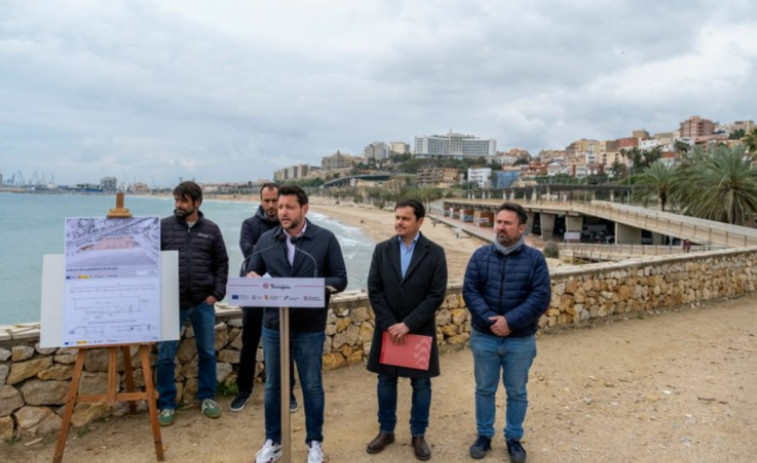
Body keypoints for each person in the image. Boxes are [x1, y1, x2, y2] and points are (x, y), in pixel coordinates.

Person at [247, 185, 347, 463]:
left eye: (289, 207)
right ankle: (273, 442)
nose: (282, 212)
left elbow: (340, 279)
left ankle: (314, 442)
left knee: (312, 385)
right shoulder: (267, 239)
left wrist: (309, 287)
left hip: (309, 326)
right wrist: (253, 274)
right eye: (279, 207)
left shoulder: (325, 239)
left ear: (304, 208)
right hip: (274, 324)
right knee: (273, 387)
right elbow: (251, 267)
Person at [463, 202, 551, 463]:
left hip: (520, 339)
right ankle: (484, 435)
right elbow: (470, 291)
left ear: (521, 228)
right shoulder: (480, 256)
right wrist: (492, 320)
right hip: (485, 336)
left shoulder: (535, 260)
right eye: (498, 222)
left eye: (507, 223)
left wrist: (510, 322)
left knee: (517, 392)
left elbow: (540, 297)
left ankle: (513, 438)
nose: (500, 227)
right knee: (484, 389)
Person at [365, 199, 447, 461]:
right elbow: (374, 290)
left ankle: (418, 434)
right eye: (397, 217)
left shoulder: (435, 252)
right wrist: (390, 324)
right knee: (385, 381)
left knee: (421, 384)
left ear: (419, 222)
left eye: (405, 218)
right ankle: (386, 431)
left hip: (419, 329)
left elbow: (436, 295)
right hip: (388, 330)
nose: (398, 222)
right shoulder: (381, 250)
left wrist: (409, 324)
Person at [156, 181, 229, 426]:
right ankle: (166, 403)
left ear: (197, 202)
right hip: (171, 303)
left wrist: (216, 294)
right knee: (166, 356)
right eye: (176, 200)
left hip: (202, 303)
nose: (178, 205)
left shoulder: (212, 229)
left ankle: (207, 397)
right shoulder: (163, 228)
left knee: (207, 352)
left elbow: (222, 263)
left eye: (184, 201)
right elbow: (151, 261)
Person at [231, 183, 298, 414]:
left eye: (274, 201)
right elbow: (250, 255)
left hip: (281, 294)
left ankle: (288, 392)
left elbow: (292, 257)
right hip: (254, 294)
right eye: (266, 201)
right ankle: (243, 391)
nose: (270, 206)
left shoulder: (289, 225)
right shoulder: (249, 225)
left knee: (285, 344)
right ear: (260, 200)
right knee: (249, 343)